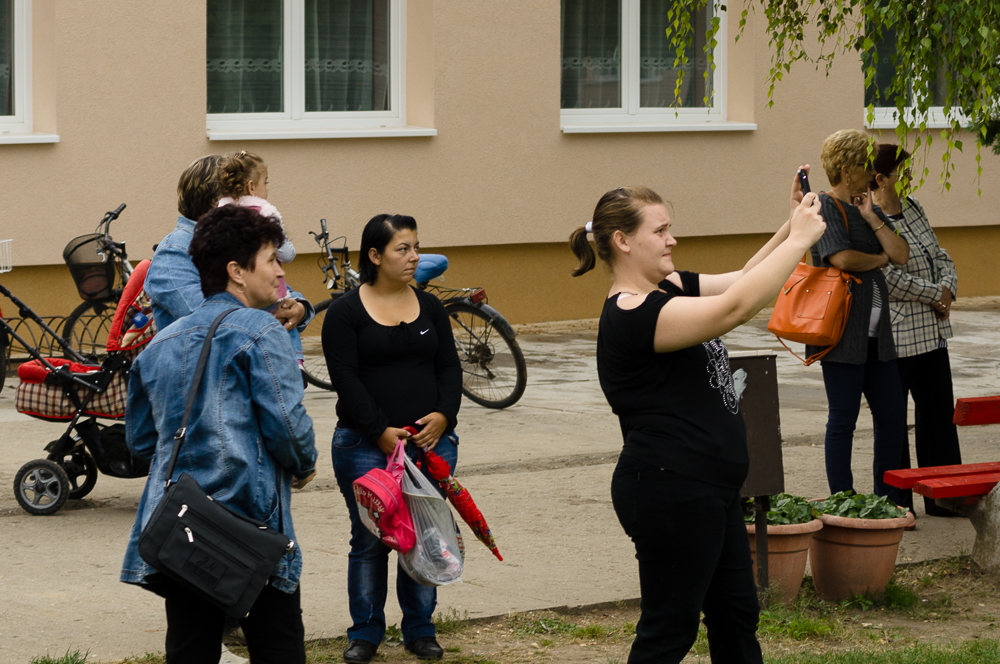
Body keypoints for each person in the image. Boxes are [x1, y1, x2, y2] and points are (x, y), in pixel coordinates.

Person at [569, 179, 826, 663]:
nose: (672, 240)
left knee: (736, 615)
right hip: (670, 489)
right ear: (623, 241)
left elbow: (745, 278)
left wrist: (791, 226)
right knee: (670, 629)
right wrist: (800, 241)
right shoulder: (632, 313)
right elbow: (736, 307)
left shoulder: (670, 287)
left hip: (708, 488)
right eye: (660, 231)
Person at [121, 205, 318, 664]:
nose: (280, 271)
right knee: (278, 647)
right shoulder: (261, 330)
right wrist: (304, 465)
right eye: (270, 259)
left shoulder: (158, 345)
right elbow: (289, 428)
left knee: (190, 650)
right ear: (236, 271)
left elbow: (142, 444)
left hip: (180, 529)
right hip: (250, 526)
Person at [322, 214, 462, 663]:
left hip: (430, 445)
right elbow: (345, 378)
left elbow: (449, 367)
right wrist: (379, 431)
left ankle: (420, 629)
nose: (414, 256)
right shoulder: (345, 313)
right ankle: (364, 633)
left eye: (416, 246)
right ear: (375, 255)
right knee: (369, 540)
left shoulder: (431, 308)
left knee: (424, 534)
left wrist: (444, 415)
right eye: (403, 248)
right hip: (364, 446)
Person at [808, 129, 910, 508]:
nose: (872, 173)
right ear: (847, 170)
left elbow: (902, 254)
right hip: (841, 336)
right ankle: (844, 502)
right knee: (843, 420)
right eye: (866, 166)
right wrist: (880, 258)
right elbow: (842, 258)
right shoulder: (824, 206)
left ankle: (889, 500)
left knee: (892, 419)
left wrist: (871, 217)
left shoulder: (866, 207)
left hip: (878, 339)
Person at [871, 143, 963, 516]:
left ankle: (945, 497)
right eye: (903, 172)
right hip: (898, 335)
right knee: (894, 422)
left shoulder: (913, 207)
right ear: (881, 179)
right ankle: (897, 504)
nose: (910, 177)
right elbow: (887, 278)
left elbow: (939, 254)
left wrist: (948, 288)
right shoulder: (872, 219)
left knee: (939, 415)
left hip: (933, 331)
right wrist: (934, 294)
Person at [145, 155, 313, 339]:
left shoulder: (234, 239)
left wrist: (299, 307)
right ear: (217, 201)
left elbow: (275, 285)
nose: (250, 203)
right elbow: (209, 321)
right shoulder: (173, 254)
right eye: (239, 194)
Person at [215, 149, 304, 361]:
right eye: (266, 182)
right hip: (265, 289)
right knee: (284, 322)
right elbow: (286, 253)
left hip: (235, 292)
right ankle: (296, 361)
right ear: (251, 187)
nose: (267, 188)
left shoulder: (221, 213)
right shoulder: (265, 213)